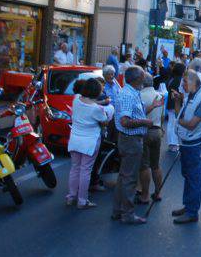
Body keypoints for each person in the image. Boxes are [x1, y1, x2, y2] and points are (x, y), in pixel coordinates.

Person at [112, 66, 163, 225]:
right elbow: (125, 121)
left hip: (131, 139)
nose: (145, 79)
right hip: (131, 140)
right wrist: (145, 122)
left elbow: (135, 113)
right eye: (142, 77)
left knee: (124, 176)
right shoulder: (128, 95)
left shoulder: (131, 92)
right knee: (129, 179)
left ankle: (118, 210)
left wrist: (151, 108)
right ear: (137, 79)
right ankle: (127, 214)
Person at [67, 78, 113, 209]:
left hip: (75, 139)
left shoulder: (76, 99)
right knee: (85, 170)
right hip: (90, 142)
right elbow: (105, 121)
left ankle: (71, 196)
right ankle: (82, 200)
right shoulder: (96, 109)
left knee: (75, 168)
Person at [170, 71, 201, 224]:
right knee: (188, 176)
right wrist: (178, 101)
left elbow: (192, 125)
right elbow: (179, 113)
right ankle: (188, 206)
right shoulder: (190, 96)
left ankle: (192, 212)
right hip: (185, 142)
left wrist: (178, 121)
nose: (182, 85)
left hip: (192, 144)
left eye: (185, 82)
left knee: (193, 177)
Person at [137, 73, 166, 205]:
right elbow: (161, 115)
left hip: (144, 130)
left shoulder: (139, 96)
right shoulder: (159, 95)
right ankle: (158, 192)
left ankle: (145, 194)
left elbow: (138, 115)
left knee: (144, 166)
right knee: (156, 164)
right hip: (156, 130)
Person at [165, 62, 186, 153]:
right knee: (174, 123)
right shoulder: (179, 80)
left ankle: (172, 143)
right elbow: (181, 93)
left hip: (170, 103)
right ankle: (174, 143)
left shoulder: (171, 78)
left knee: (171, 123)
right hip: (176, 103)